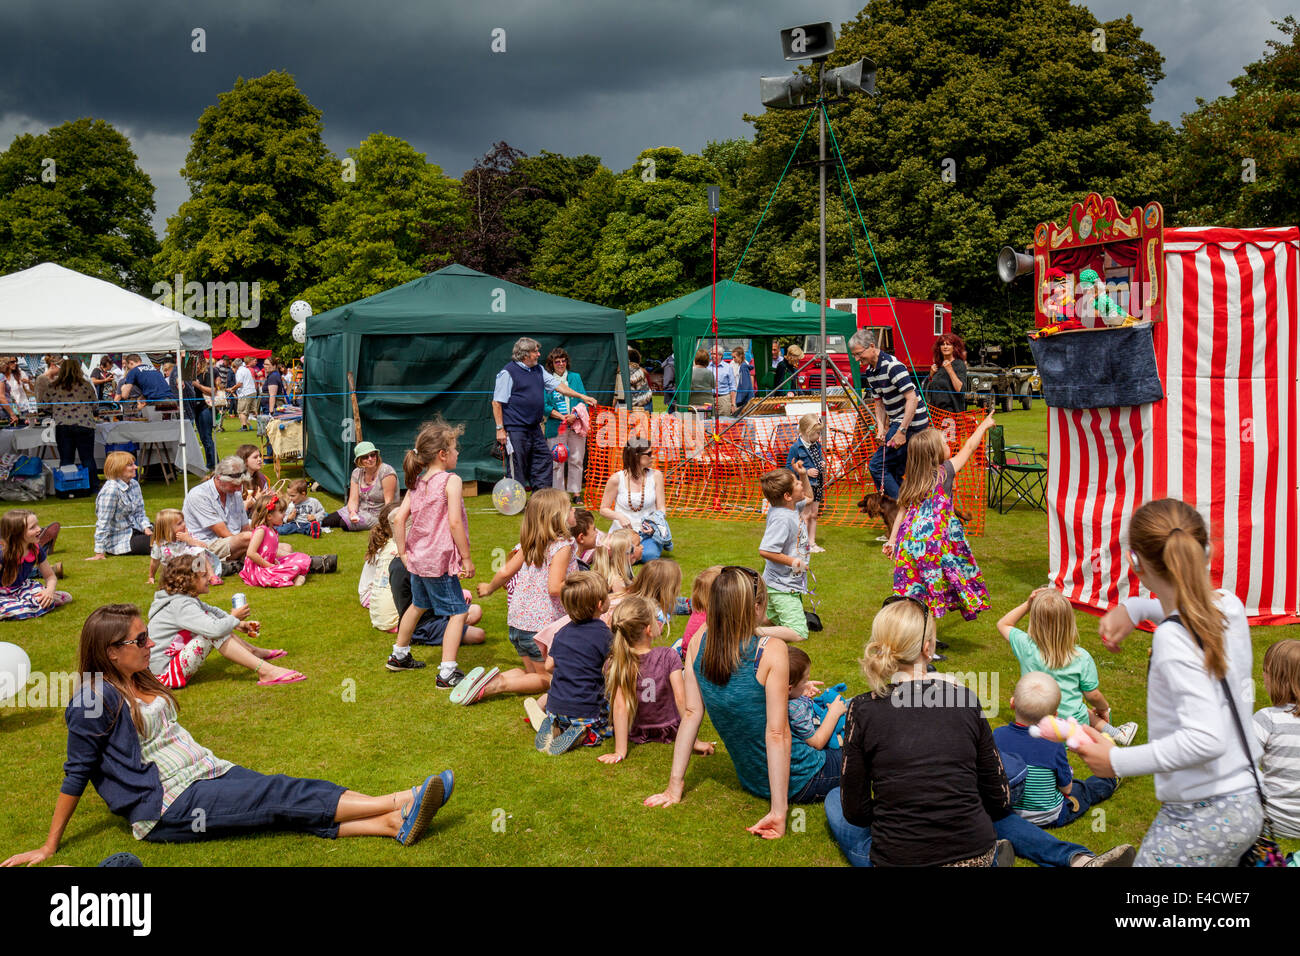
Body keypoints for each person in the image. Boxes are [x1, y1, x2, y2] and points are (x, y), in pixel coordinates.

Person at [1, 604, 453, 861]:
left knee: (276, 805)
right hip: (168, 804)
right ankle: (401, 800)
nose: (151, 644)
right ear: (110, 652)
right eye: (139, 641)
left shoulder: (138, 679)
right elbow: (76, 771)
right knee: (278, 795)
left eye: (145, 636)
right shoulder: (93, 698)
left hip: (206, 771)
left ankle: (389, 825)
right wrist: (48, 846)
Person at [1077, 497, 1264, 867]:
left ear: (1136, 563)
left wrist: (1117, 760)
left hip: (1202, 810)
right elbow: (1185, 611)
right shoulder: (1231, 606)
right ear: (1205, 551)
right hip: (1244, 796)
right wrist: (1136, 608)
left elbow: (1205, 738)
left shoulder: (1173, 639)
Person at [645, 566, 838, 837]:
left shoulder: (700, 640)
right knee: (865, 741)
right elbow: (777, 733)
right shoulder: (771, 649)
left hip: (752, 780)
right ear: (757, 607)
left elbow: (691, 713)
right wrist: (779, 813)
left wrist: (674, 786)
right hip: (803, 777)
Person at [824, 597, 1010, 866]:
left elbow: (855, 811)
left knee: (833, 799)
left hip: (900, 858)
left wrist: (902, 813)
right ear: (927, 648)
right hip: (976, 854)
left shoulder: (863, 709)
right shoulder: (965, 699)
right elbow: (999, 798)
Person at [468, 489, 577, 705]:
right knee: (546, 679)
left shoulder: (531, 543)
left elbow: (505, 572)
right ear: (557, 516)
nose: (574, 510)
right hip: (540, 628)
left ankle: (486, 681)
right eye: (570, 508)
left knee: (531, 674)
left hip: (518, 624)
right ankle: (498, 685)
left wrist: (489, 589)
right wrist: (582, 585)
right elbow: (555, 587)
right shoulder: (562, 547)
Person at [387, 418, 475, 683]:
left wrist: (403, 553)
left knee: (418, 604)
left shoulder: (418, 483)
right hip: (439, 560)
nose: (458, 452)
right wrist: (467, 558)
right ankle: (447, 672)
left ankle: (399, 655)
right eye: (455, 447)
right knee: (458, 611)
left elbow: (399, 519)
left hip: (417, 559)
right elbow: (454, 522)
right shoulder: (451, 480)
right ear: (442, 454)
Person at [996, 587, 1138, 744]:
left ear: (1034, 620)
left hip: (1033, 721)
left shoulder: (1025, 645)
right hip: (1070, 726)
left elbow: (1003, 624)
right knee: (1084, 710)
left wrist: (1028, 604)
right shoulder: (1081, 657)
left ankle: (1114, 733)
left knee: (1074, 709)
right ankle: (1116, 733)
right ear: (1069, 621)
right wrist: (1104, 708)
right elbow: (1093, 695)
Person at [884, 419, 993, 621]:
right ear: (934, 453)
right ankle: (927, 643)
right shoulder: (945, 472)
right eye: (944, 443)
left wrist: (892, 541)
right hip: (932, 545)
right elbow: (969, 447)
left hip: (908, 545)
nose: (947, 445)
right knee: (933, 591)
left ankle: (912, 635)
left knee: (913, 592)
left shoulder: (912, 480)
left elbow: (901, 513)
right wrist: (983, 425)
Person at [148, 555, 302, 688]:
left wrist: (239, 624)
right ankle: (266, 671)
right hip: (164, 675)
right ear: (188, 580)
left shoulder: (185, 599)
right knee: (212, 633)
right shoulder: (181, 604)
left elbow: (212, 611)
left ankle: (253, 652)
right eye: (203, 576)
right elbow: (214, 630)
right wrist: (234, 618)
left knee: (212, 623)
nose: (209, 578)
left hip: (170, 665)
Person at [994, 672, 1120, 829]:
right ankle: (1110, 779)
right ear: (1054, 715)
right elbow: (1066, 788)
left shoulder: (997, 735)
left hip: (1006, 812)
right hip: (1048, 816)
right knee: (1082, 789)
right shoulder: (1054, 744)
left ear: (1012, 703)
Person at [601, 594, 715, 763]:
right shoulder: (668, 656)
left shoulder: (615, 662)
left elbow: (620, 707)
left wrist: (620, 751)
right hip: (669, 727)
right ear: (648, 629)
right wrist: (695, 741)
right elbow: (681, 698)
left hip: (637, 730)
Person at [492, 336, 597, 493]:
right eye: (535, 351)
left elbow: (559, 386)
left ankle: (540, 499)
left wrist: (582, 396)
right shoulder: (508, 372)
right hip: (515, 428)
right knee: (517, 466)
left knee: (544, 460)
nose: (539, 354)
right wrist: (500, 428)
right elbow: (497, 402)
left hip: (534, 428)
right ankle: (515, 503)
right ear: (525, 354)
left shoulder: (538, 369)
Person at [533, 571, 615, 753]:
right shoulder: (604, 634)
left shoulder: (561, 632)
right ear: (600, 605)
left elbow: (548, 666)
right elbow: (613, 668)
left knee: (565, 714)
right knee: (611, 722)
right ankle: (586, 734)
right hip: (586, 710)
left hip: (555, 706)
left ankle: (556, 725)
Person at [850, 329, 929, 500]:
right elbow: (879, 402)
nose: (857, 360)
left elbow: (912, 400)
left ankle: (902, 507)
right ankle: (912, 506)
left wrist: (901, 431)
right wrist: (880, 429)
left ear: (871, 346)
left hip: (912, 424)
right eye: (854, 355)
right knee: (895, 470)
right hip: (898, 422)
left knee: (877, 466)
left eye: (858, 354)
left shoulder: (893, 367)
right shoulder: (870, 371)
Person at [758, 463, 813, 641]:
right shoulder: (781, 518)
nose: (801, 485)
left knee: (771, 619)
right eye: (797, 483)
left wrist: (803, 475)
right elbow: (765, 550)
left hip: (783, 582)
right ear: (788, 496)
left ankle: (742, 621)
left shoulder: (791, 508)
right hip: (782, 586)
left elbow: (810, 497)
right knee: (799, 632)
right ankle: (752, 632)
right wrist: (793, 562)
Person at [1255, 640, 1300, 838]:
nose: (1263, 676)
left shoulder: (1267, 719)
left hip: (1272, 821)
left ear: (1278, 679)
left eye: (1266, 671)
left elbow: (1242, 765)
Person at [35, 355, 100, 492]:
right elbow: (95, 405)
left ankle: (68, 487)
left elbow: (45, 406)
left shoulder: (54, 386)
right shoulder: (86, 385)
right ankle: (93, 487)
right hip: (85, 425)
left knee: (66, 459)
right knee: (87, 458)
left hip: (63, 426)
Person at [598, 437, 668, 563]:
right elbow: (603, 509)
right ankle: (629, 552)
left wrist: (655, 524)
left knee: (648, 556)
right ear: (636, 456)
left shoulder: (656, 475)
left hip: (648, 532)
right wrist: (619, 516)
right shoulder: (616, 479)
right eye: (649, 454)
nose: (653, 457)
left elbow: (661, 508)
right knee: (611, 555)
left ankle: (635, 551)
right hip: (623, 533)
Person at [0, 509, 71, 620]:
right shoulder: (2, 554)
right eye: (32, 527)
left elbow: (50, 576)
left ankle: (46, 599)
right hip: (3, 593)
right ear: (17, 533)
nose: (39, 529)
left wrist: (49, 591)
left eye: (37, 525)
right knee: (17, 608)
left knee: (43, 599)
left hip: (21, 587)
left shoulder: (35, 549)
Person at [181, 456, 253, 562]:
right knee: (250, 539)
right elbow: (223, 533)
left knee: (284, 547)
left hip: (230, 544)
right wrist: (249, 543)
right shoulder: (199, 495)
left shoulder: (235, 493)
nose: (238, 489)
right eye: (235, 485)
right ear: (219, 479)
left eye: (240, 484)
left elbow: (245, 527)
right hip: (204, 547)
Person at [239, 494, 318, 589]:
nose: (284, 514)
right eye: (281, 512)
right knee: (293, 567)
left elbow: (269, 552)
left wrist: (274, 561)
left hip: (269, 564)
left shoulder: (272, 530)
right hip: (258, 569)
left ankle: (292, 575)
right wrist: (268, 565)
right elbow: (251, 553)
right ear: (269, 516)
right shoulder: (261, 530)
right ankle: (294, 577)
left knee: (298, 556)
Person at [87, 451, 153, 560]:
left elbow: (139, 512)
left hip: (135, 529)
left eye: (134, 464)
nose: (136, 467)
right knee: (160, 543)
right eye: (130, 465)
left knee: (167, 530)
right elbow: (103, 522)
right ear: (118, 469)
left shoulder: (134, 484)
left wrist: (146, 528)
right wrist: (99, 552)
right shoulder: (111, 490)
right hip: (120, 540)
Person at [320, 442, 398, 531]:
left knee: (344, 523)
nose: (370, 459)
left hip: (377, 514)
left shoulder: (386, 472)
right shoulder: (357, 472)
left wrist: (384, 522)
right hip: (360, 509)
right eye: (365, 457)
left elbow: (389, 503)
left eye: (372, 455)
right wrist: (353, 512)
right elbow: (353, 499)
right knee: (326, 521)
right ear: (359, 460)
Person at [542, 347, 587, 498]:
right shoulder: (547, 380)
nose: (561, 364)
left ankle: (575, 492)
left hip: (575, 425)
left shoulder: (575, 377)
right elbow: (544, 405)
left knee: (576, 459)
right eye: (557, 361)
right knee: (557, 461)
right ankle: (558, 494)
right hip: (556, 426)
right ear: (552, 364)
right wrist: (561, 417)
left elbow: (583, 399)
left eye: (563, 361)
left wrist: (574, 414)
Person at [787, 646, 847, 751]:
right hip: (820, 759)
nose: (807, 682)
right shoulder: (797, 710)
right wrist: (833, 713)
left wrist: (800, 690)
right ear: (789, 689)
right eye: (805, 680)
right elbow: (817, 743)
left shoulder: (785, 698)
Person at [147, 508, 220, 586]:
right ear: (168, 529)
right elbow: (155, 561)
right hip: (173, 571)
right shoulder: (160, 544)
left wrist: (188, 540)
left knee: (199, 551)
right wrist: (151, 576)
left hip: (192, 567)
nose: (184, 524)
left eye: (183, 521)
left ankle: (211, 576)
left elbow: (203, 546)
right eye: (179, 523)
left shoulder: (186, 535)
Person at [785, 413, 826, 553]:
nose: (819, 436)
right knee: (805, 515)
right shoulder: (796, 448)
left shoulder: (816, 446)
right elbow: (789, 467)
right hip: (804, 486)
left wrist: (821, 463)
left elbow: (818, 459)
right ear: (807, 432)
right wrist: (806, 472)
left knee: (814, 514)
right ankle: (802, 544)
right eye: (817, 433)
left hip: (818, 484)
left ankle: (812, 543)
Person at [184, 354, 218, 471]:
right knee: (203, 438)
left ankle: (213, 464)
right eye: (192, 365)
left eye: (196, 364)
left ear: (201, 364)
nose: (195, 367)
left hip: (205, 408)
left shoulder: (205, 374)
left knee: (207, 437)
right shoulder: (187, 376)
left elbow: (213, 391)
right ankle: (212, 463)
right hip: (195, 410)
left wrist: (198, 385)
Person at [924, 333, 969, 413]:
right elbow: (930, 391)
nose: (945, 347)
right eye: (942, 344)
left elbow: (960, 389)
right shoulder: (938, 366)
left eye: (948, 344)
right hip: (936, 413)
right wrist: (931, 376)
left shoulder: (959, 364)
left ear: (954, 347)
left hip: (951, 413)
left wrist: (950, 370)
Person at [235, 443, 271, 513]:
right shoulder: (236, 481)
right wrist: (255, 499)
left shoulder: (262, 478)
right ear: (245, 461)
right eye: (255, 457)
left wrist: (268, 497)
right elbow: (235, 508)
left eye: (260, 456)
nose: (260, 459)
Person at [706, 345, 737, 416]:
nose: (712, 356)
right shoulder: (707, 367)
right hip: (709, 399)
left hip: (723, 399)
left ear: (720, 355)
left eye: (714, 354)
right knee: (709, 421)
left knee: (724, 422)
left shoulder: (728, 367)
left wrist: (733, 404)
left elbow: (732, 387)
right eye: (711, 354)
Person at [232, 358, 257, 430]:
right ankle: (262, 424)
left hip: (245, 393)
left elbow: (240, 384)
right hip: (252, 391)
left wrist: (232, 389)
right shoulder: (246, 369)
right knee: (254, 410)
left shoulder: (239, 372)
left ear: (236, 365)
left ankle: (244, 427)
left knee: (241, 411)